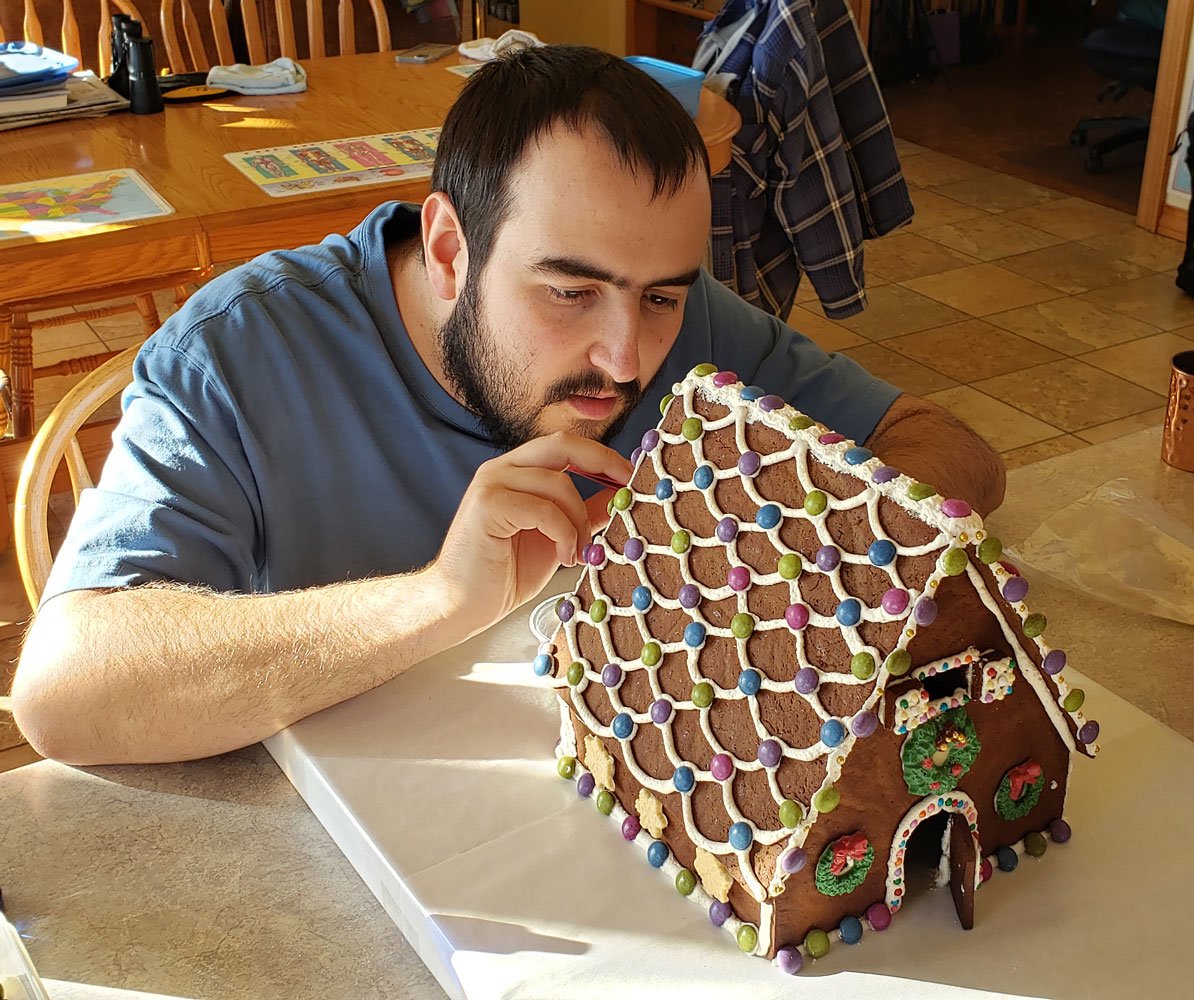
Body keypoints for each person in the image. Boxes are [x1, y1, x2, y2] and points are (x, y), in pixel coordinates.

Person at [12, 46, 1005, 766]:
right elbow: (67, 695)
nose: (627, 354)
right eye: (568, 290)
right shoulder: (236, 355)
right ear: (450, 251)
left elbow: (953, 454)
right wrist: (440, 597)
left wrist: (736, 524)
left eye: (661, 293)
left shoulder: (683, 322)